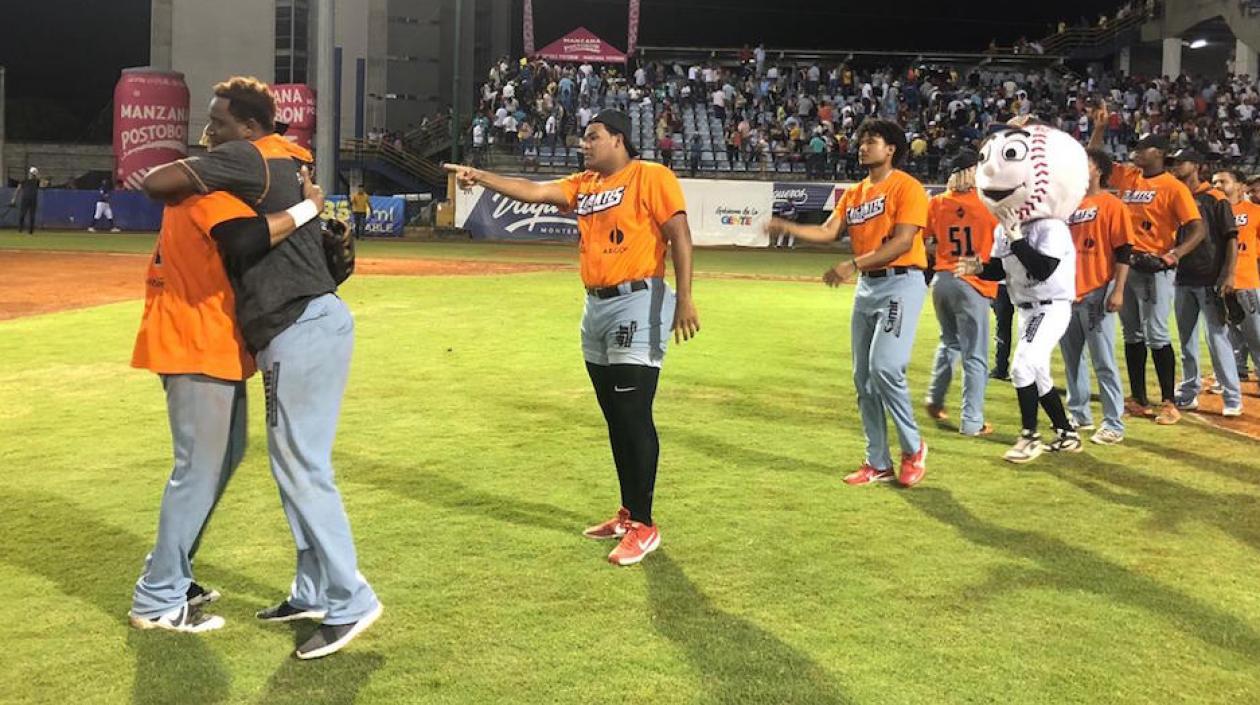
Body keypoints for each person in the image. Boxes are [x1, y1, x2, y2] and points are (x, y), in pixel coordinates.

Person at [143, 76, 382, 660]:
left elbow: (173, 191)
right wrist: (310, 211)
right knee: (291, 464)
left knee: (302, 467)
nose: (211, 136)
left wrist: (306, 208)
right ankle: (312, 592)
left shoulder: (252, 160)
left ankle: (351, 599)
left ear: (249, 130)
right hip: (295, 328)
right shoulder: (279, 163)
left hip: (300, 327)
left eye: (221, 124)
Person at [443, 108, 700, 567]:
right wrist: (480, 175)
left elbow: (679, 234)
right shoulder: (586, 185)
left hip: (638, 301)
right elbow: (535, 191)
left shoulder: (650, 175)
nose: (584, 145)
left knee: (633, 413)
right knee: (616, 417)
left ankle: (644, 524)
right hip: (595, 307)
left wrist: (685, 297)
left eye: (593, 137)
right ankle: (628, 513)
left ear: (619, 140)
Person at [130, 146, 326, 633]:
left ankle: (169, 572)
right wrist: (309, 209)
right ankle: (157, 599)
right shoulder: (211, 194)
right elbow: (247, 239)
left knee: (222, 459)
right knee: (198, 470)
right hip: (195, 344)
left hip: (205, 344)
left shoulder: (198, 194)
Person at [764, 118, 930, 487]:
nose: (863, 146)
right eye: (862, 141)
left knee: (885, 367)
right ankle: (878, 461)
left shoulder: (908, 187)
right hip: (869, 287)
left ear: (891, 150)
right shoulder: (853, 193)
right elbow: (827, 231)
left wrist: (852, 263)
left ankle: (914, 447)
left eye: (872, 141)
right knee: (863, 379)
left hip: (901, 282)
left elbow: (903, 242)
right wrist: (787, 228)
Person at [958, 125, 1085, 463]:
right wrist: (978, 268)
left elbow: (1043, 269)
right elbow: (1002, 270)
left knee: (1021, 367)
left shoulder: (1051, 226)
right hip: (1027, 307)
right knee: (1038, 372)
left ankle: (1030, 436)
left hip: (1051, 306)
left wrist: (1016, 239)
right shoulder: (1008, 229)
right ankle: (1067, 433)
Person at [1088, 109, 1205, 425]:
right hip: (1128, 265)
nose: (1136, 152)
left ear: (1161, 154)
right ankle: (1139, 398)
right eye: (1136, 148)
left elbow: (1197, 228)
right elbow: (1093, 159)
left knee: (1156, 333)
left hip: (1156, 268)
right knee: (1132, 333)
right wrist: (1099, 128)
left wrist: (1175, 254)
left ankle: (1169, 402)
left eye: (1143, 148)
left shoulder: (1173, 186)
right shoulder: (1130, 176)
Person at [1061, 148, 1136, 444]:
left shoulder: (1112, 204)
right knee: (1072, 360)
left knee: (1103, 360)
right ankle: (1078, 414)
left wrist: (1118, 289)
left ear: (1099, 170)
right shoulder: (1067, 204)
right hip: (1067, 293)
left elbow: (1124, 251)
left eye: (1086, 162)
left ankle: (1113, 423)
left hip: (1097, 290)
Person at [922, 150, 998, 437]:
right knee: (975, 355)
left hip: (942, 279)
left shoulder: (938, 202)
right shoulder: (987, 204)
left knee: (949, 342)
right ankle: (972, 421)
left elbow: (925, 240)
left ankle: (935, 397)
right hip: (972, 280)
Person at [1167, 153, 1241, 415]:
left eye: (1179, 162)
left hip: (1210, 278)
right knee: (1186, 341)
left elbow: (1231, 238)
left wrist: (1229, 274)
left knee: (1217, 339)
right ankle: (1189, 392)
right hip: (1183, 278)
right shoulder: (1175, 195)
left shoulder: (1214, 198)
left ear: (1196, 166)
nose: (1175, 166)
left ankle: (1232, 398)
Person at [1215, 169, 1260, 389]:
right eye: (1214, 182)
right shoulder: (1212, 213)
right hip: (1219, 283)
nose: (1217, 186)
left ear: (1240, 186)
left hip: (1246, 281)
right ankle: (1237, 372)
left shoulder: (1254, 211)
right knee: (1229, 334)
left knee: (1255, 334)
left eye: (1223, 181)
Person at [13, 166, 40, 234]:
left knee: (32, 216)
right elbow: (18, 190)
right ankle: (20, 229)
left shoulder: (37, 181)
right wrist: (14, 198)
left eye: (34, 174)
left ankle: (31, 231)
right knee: (22, 215)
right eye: (32, 174)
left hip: (33, 200)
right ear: (29, 173)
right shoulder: (24, 181)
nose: (32, 175)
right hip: (25, 199)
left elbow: (43, 184)